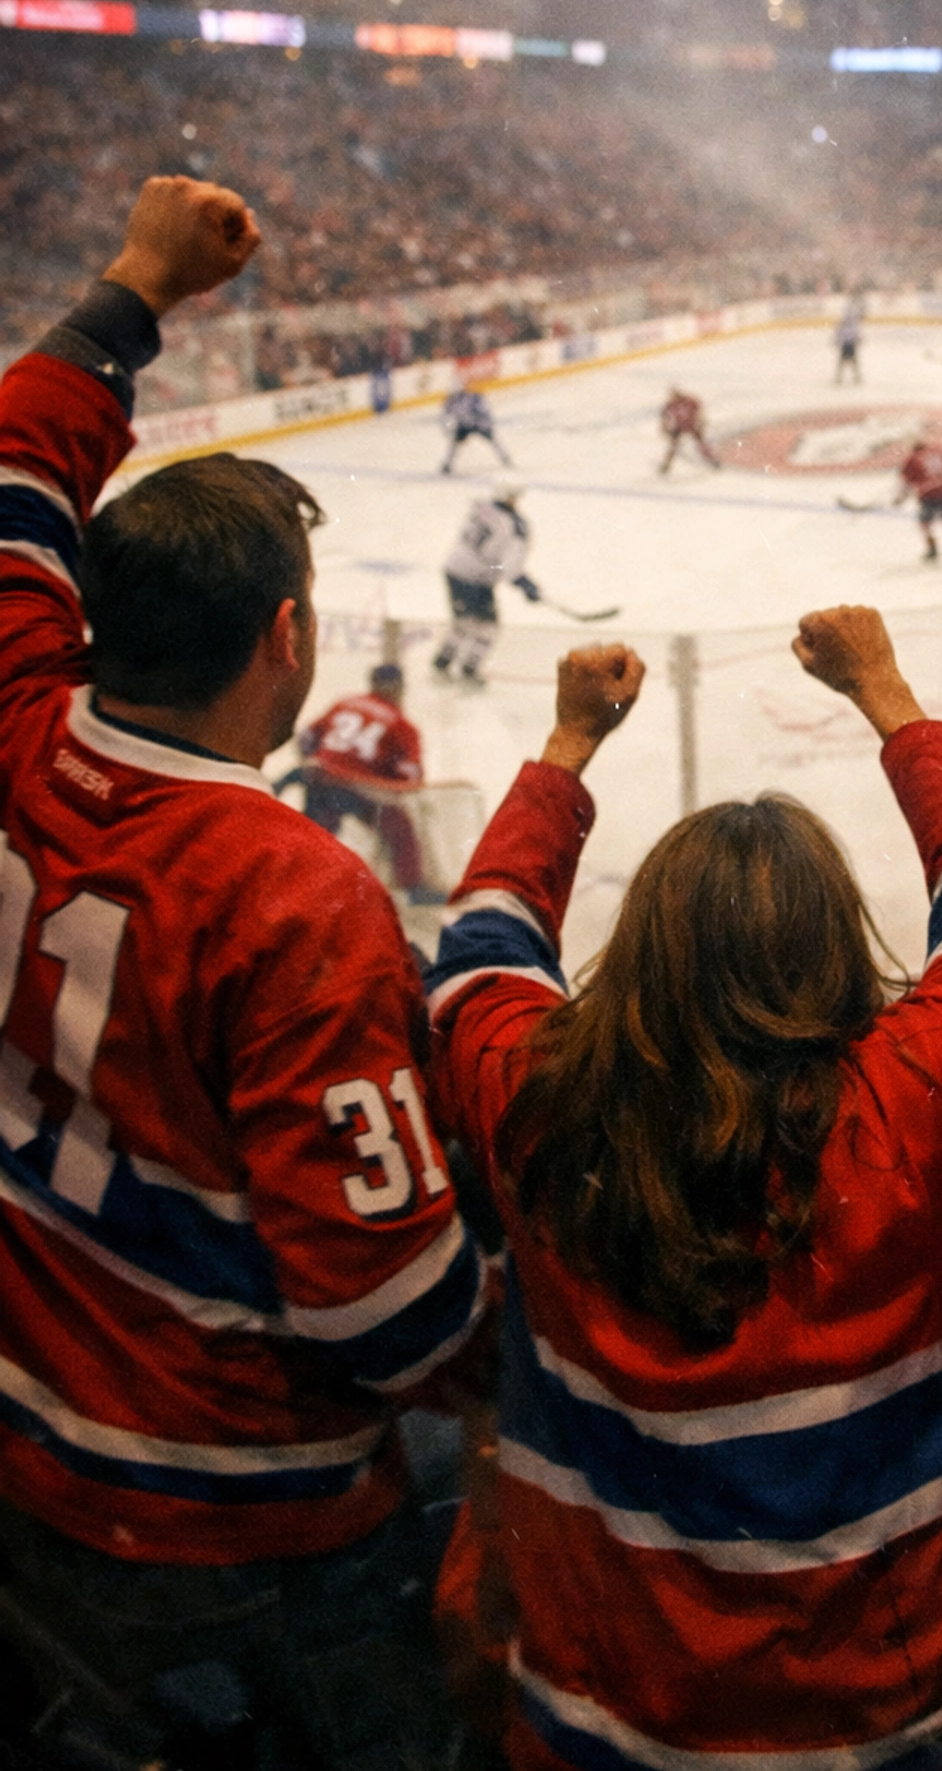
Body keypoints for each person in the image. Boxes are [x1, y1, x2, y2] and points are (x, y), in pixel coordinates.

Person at [0, 177, 484, 1768]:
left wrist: (130, 288)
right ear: (287, 638)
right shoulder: (294, 898)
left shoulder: (14, 717)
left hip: (20, 1418)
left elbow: (12, 476)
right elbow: (393, 1318)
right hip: (227, 1513)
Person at [426, 606, 942, 1771]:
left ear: (640, 953)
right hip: (913, 1730)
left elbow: (478, 951)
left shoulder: (542, 1107)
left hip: (604, 1726)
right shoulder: (919, 1108)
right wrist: (888, 697)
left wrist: (567, 751)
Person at [293, 662, 442, 902]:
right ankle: (414, 887)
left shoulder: (345, 703)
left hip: (323, 781)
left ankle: (296, 878)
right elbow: (411, 776)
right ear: (400, 688)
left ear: (372, 682)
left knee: (316, 832)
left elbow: (306, 737)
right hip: (363, 790)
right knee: (400, 827)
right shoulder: (402, 725)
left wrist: (314, 762)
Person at [434, 479, 540, 685]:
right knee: (488, 628)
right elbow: (510, 569)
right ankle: (469, 668)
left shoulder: (479, 507)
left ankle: (442, 661)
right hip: (476, 578)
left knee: (464, 621)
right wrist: (526, 585)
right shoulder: (515, 526)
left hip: (454, 568)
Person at [440, 382, 509, 474]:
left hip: (478, 424)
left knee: (493, 440)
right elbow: (445, 416)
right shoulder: (451, 402)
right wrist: (448, 429)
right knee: (454, 445)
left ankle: (504, 457)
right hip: (463, 426)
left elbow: (484, 411)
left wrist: (486, 423)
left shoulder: (473, 398)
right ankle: (447, 464)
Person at [658, 386, 719, 473]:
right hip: (679, 427)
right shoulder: (671, 404)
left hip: (691, 425)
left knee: (701, 444)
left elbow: (700, 412)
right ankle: (666, 466)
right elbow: (665, 417)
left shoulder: (690, 401)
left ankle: (713, 461)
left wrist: (702, 423)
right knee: (673, 447)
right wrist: (664, 427)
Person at [833, 295, 863, 383]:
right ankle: (842, 377)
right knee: (846, 362)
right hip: (847, 344)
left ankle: (853, 377)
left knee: (850, 362)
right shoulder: (846, 324)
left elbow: (854, 333)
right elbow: (839, 333)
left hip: (849, 344)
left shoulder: (849, 324)